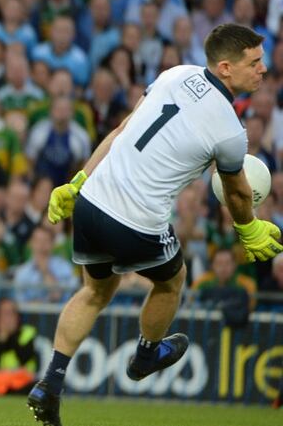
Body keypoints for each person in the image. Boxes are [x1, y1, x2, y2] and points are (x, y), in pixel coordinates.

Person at [27, 24, 280, 426]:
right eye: (256, 62)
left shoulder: (174, 74)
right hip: (138, 220)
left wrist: (78, 182)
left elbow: (122, 129)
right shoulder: (230, 131)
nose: (264, 69)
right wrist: (249, 227)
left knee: (94, 292)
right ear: (227, 68)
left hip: (93, 202)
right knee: (172, 281)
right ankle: (146, 356)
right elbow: (235, 193)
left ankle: (50, 383)